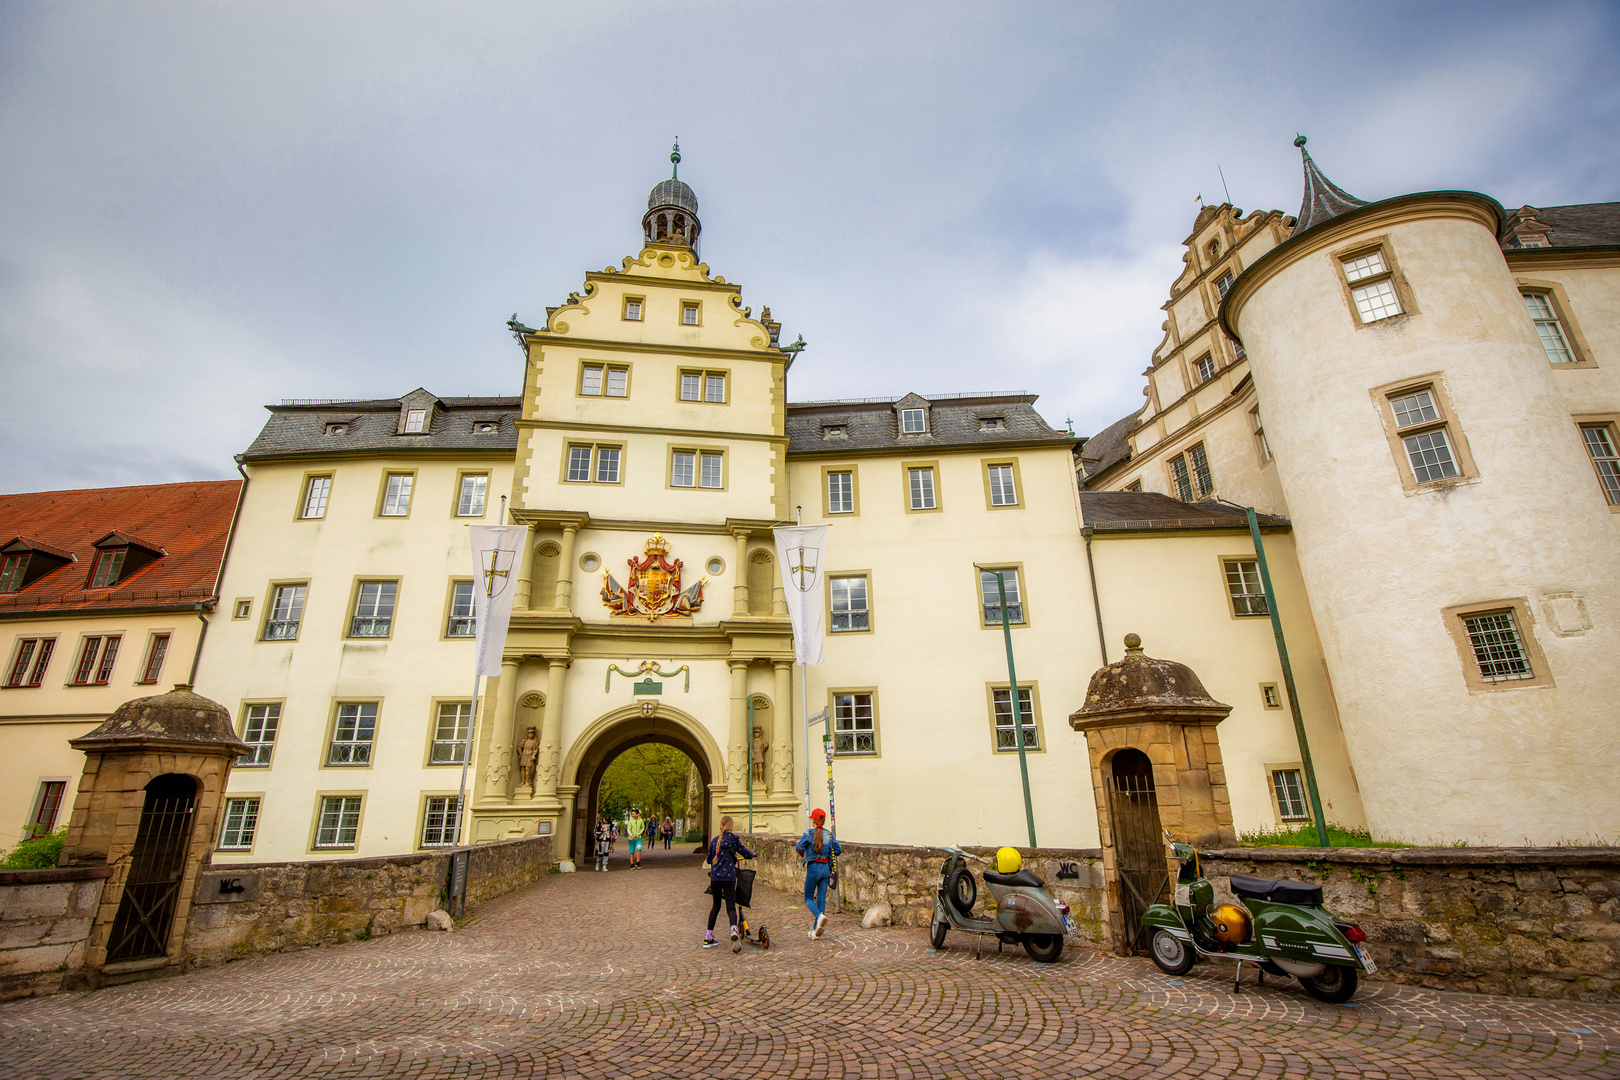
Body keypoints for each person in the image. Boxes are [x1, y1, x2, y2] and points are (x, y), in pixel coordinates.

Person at [703, 815, 755, 952]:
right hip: (729, 878)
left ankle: (708, 937)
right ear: (731, 827)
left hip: (715, 878)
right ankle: (733, 930)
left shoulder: (714, 841)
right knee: (730, 907)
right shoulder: (733, 840)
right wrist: (751, 855)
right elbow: (744, 851)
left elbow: (709, 860)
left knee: (715, 906)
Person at [796, 808, 841, 939]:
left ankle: (819, 916)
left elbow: (798, 847)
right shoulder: (829, 835)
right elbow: (838, 850)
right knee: (821, 899)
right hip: (826, 869)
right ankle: (815, 931)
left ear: (813, 821)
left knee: (808, 898)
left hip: (813, 868)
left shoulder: (809, 833)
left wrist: (807, 854)